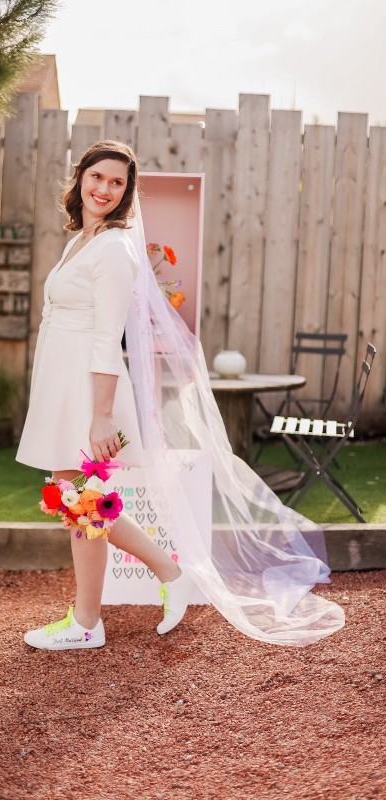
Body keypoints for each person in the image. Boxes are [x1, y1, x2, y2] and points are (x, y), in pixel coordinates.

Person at [17, 140, 345, 651]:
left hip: (88, 390)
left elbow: (107, 340)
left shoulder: (114, 248)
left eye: (117, 183)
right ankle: (158, 581)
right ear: (80, 177)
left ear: (127, 193)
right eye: (97, 177)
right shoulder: (81, 240)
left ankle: (95, 617)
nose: (104, 188)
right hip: (61, 384)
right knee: (79, 502)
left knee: (81, 502)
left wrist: (102, 417)